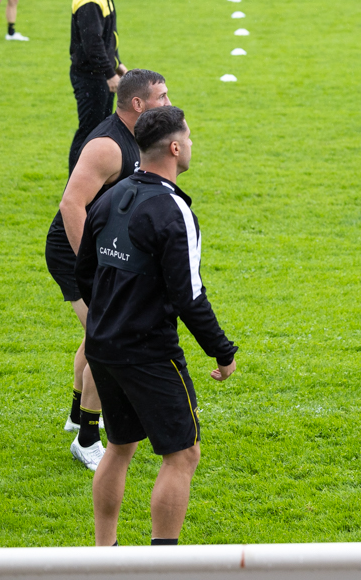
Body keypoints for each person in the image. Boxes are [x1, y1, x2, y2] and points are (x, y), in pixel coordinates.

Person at [75, 105, 238, 546]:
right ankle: (162, 564)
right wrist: (222, 352)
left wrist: (110, 317)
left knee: (120, 447)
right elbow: (190, 295)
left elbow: (85, 271)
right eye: (189, 139)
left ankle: (103, 555)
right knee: (183, 454)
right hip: (147, 352)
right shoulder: (172, 209)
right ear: (174, 147)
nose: (191, 146)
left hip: (103, 346)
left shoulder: (111, 196)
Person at [46, 70, 172, 471]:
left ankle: (73, 415)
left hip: (103, 251)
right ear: (138, 104)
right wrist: (96, 266)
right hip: (74, 252)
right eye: (162, 97)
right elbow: (71, 204)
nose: (169, 104)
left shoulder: (137, 138)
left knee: (96, 331)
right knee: (111, 339)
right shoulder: (107, 145)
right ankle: (87, 437)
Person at [69, 0, 126, 174]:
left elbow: (107, 36)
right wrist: (110, 74)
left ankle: (96, 180)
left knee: (102, 129)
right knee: (89, 131)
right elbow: (92, 43)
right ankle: (75, 182)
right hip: (90, 76)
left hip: (99, 73)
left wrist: (118, 63)